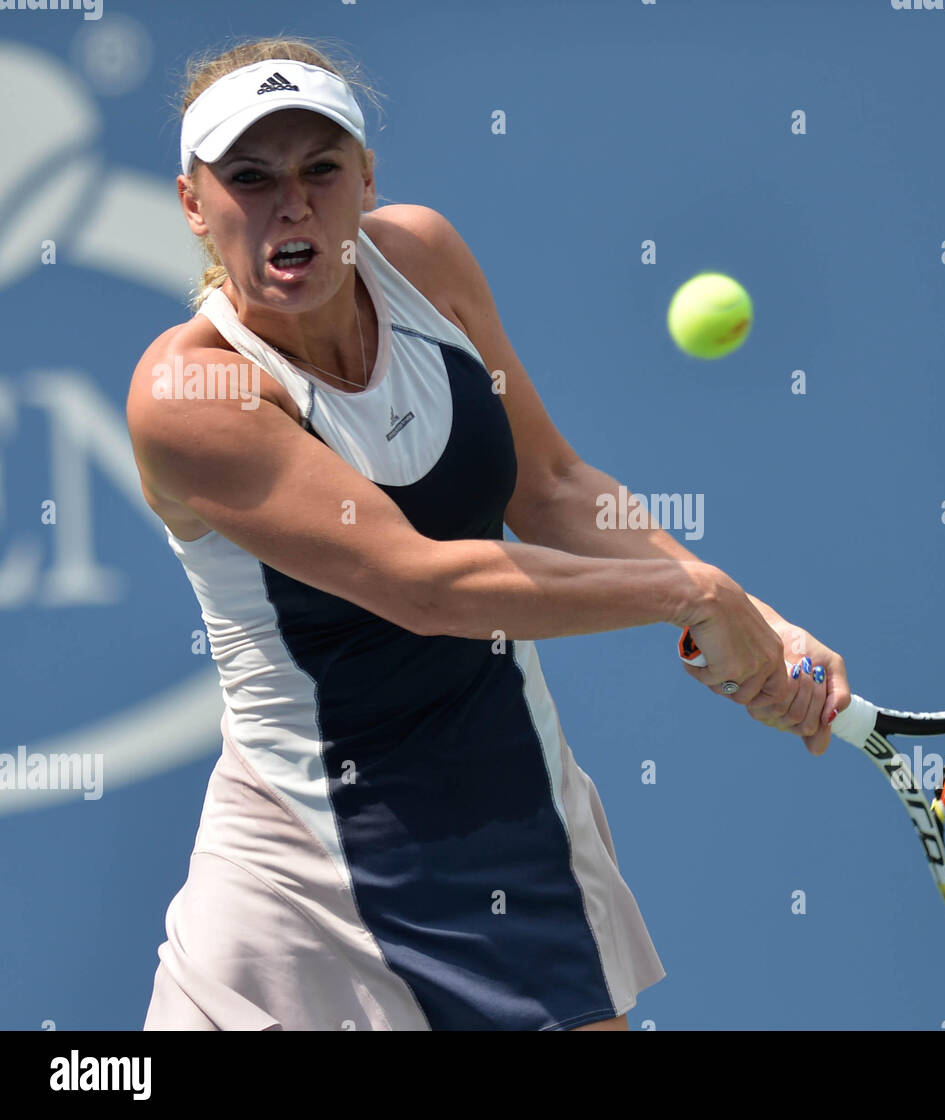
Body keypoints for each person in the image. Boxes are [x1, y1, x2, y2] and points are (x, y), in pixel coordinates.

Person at [129, 37, 851, 1031]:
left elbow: (550, 485)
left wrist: (760, 622)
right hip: (296, 875)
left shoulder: (423, 258)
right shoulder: (189, 392)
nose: (289, 204)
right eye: (248, 177)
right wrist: (696, 595)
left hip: (512, 827)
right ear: (192, 205)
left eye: (320, 169)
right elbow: (428, 588)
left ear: (366, 177)